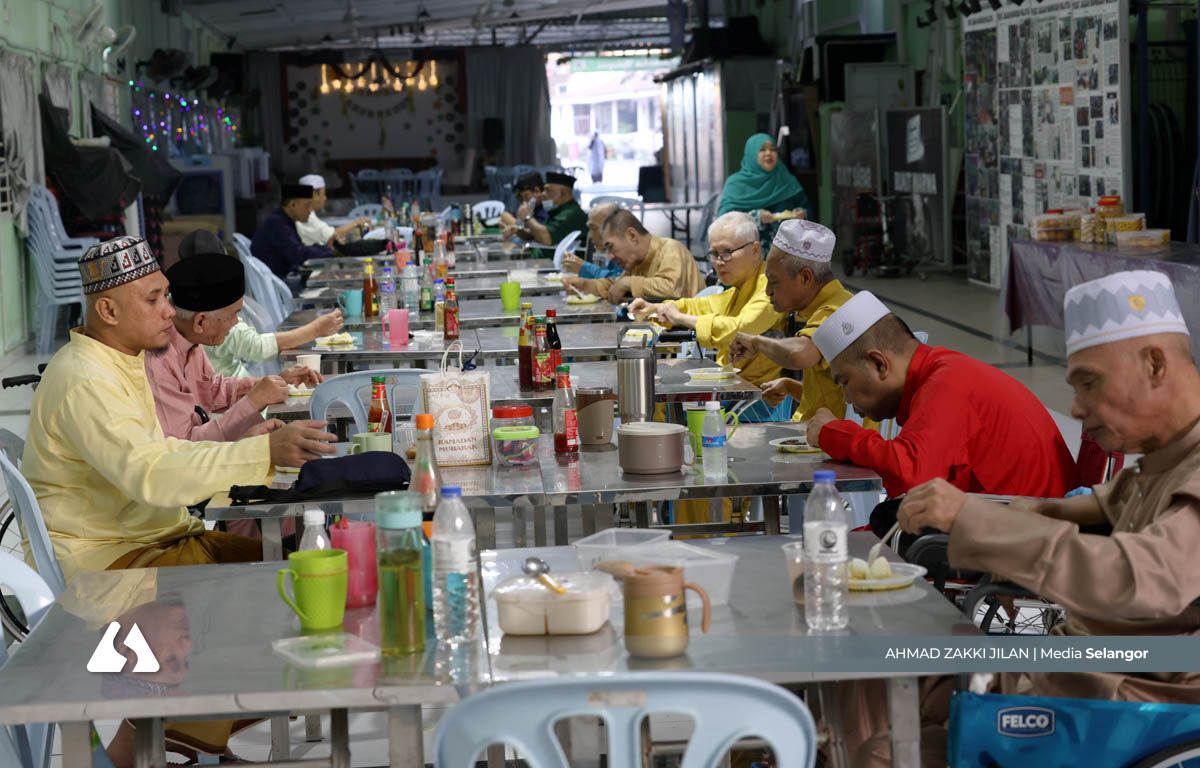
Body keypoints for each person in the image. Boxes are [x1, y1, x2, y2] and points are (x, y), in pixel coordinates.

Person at [845, 270, 1200, 766]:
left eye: (1089, 383)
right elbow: (1110, 500)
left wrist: (976, 517)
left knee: (886, 749)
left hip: (1130, 700)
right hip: (1078, 659)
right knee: (895, 668)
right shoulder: (1168, 453)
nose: (1075, 408)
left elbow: (1141, 576)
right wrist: (1032, 508)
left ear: (1155, 364)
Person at [20, 235, 337, 584]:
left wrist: (248, 444)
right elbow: (151, 472)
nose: (170, 311)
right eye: (153, 300)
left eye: (165, 295)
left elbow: (166, 447)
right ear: (108, 311)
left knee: (302, 560)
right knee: (285, 578)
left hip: (156, 537)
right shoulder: (86, 380)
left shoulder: (125, 359)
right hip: (108, 557)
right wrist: (261, 452)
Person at [804, 290, 1078, 500]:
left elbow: (912, 474)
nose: (848, 399)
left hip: (1024, 537)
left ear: (879, 364)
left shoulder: (946, 384)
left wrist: (834, 433)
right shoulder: (941, 370)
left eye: (845, 383)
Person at [145, 244, 323, 442]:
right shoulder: (158, 363)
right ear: (201, 322)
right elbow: (185, 447)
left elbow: (211, 389)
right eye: (233, 315)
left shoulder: (190, 339)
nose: (237, 322)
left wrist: (275, 383)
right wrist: (254, 401)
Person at [628, 212, 783, 392]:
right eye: (714, 253)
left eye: (727, 252)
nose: (719, 262)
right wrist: (658, 307)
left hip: (759, 398)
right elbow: (702, 305)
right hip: (731, 386)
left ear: (755, 250)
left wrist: (680, 317)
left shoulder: (770, 288)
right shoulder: (738, 290)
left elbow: (739, 329)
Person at [728, 219, 859, 423]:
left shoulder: (838, 311)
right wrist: (791, 387)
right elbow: (834, 400)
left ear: (805, 278)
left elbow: (800, 355)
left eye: (774, 281)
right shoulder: (829, 306)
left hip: (829, 443)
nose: (768, 291)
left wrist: (756, 343)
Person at [173, 230, 344, 378]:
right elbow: (257, 347)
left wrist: (277, 381)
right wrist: (316, 329)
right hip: (232, 399)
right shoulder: (215, 315)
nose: (235, 321)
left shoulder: (174, 305)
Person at [562, 208, 703, 304]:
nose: (610, 256)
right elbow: (615, 284)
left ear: (632, 236)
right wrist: (585, 285)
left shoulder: (670, 249)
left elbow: (671, 288)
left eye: (611, 247)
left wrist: (628, 283)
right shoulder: (636, 262)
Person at [718, 133, 811, 248]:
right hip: (747, 255)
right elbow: (723, 220)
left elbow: (808, 211)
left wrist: (802, 214)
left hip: (786, 255)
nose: (768, 153)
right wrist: (755, 217)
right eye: (762, 150)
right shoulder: (735, 184)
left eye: (773, 149)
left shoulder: (787, 181)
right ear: (751, 154)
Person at [250, 182, 334, 279]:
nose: (311, 210)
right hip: (279, 279)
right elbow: (298, 255)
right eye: (307, 205)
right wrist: (329, 251)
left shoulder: (283, 220)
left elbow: (299, 249)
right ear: (293, 205)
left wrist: (324, 249)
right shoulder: (278, 224)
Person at [504, 171, 587, 247]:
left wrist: (528, 217)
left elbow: (546, 238)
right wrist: (520, 232)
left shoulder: (572, 213)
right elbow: (541, 233)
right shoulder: (557, 211)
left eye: (548, 191)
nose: (543, 194)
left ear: (563, 193)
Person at [294, 173, 371, 247]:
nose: (325, 198)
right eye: (323, 194)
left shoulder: (308, 213)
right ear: (314, 194)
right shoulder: (305, 216)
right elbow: (332, 235)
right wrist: (357, 223)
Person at [562, 201, 623, 280]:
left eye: (594, 228)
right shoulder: (614, 252)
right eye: (589, 229)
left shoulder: (628, 252)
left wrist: (584, 268)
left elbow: (618, 280)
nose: (590, 236)